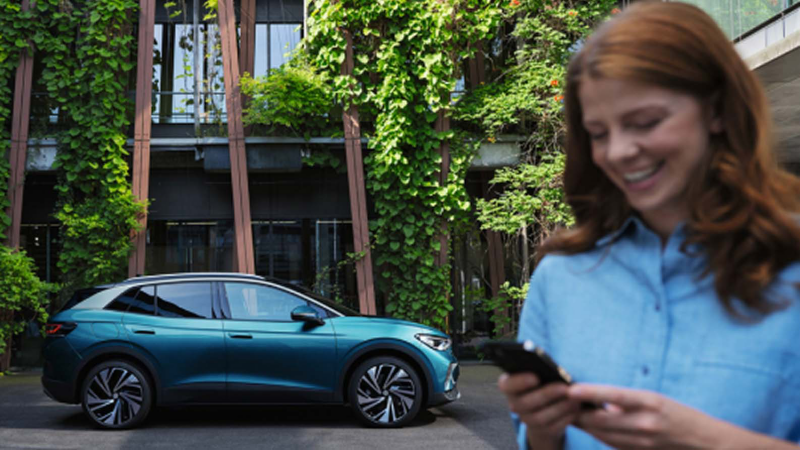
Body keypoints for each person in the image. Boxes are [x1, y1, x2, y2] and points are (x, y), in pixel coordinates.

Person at [497, 2, 800, 449]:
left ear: (716, 109)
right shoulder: (560, 276)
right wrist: (542, 428)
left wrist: (697, 437)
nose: (617, 152)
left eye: (645, 122)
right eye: (598, 133)